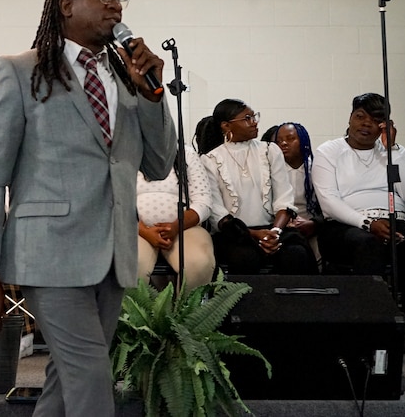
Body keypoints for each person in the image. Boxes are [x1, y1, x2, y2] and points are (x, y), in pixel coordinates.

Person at [0, 0, 175, 416]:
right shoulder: (20, 71)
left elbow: (157, 165)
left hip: (113, 252)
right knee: (90, 376)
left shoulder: (125, 77)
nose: (115, 1)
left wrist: (154, 98)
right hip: (49, 252)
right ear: (66, 6)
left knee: (67, 378)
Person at [312, 92, 405, 343]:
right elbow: (329, 202)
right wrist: (367, 223)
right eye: (360, 116)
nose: (365, 124)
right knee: (367, 244)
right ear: (350, 118)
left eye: (375, 120)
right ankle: (373, 331)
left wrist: (394, 151)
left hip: (393, 221)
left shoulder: (392, 153)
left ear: (385, 126)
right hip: (344, 226)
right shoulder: (330, 151)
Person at [197, 100, 316, 275]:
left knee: (295, 254)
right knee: (245, 258)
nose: (254, 122)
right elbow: (217, 213)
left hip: (273, 228)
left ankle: (294, 303)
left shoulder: (270, 151)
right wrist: (254, 235)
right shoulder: (210, 160)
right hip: (235, 234)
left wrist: (274, 232)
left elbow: (284, 197)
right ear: (226, 126)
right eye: (247, 118)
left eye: (254, 116)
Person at [136, 146, 216, 290]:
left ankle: (186, 312)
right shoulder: (123, 153)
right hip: (134, 229)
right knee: (131, 262)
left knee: (199, 262)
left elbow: (203, 201)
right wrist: (144, 230)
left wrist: (175, 227)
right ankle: (138, 313)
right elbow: (113, 201)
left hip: (184, 228)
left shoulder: (186, 153)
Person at [273, 122, 324, 270]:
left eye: (290, 138)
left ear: (303, 141)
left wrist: (313, 223)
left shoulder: (317, 167)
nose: (283, 143)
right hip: (282, 224)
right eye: (279, 141)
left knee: (320, 252)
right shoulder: (271, 170)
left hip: (313, 223)